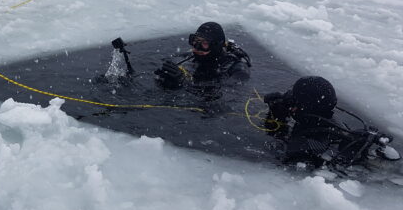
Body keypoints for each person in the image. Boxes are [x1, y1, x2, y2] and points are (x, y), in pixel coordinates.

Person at [263, 76, 398, 167]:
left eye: (294, 99)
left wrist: (274, 118)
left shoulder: (302, 147)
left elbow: (281, 145)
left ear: (303, 107)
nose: (290, 101)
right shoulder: (333, 123)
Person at [154, 21, 251, 91]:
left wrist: (183, 82)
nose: (197, 47)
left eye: (204, 43)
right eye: (195, 41)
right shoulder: (191, 57)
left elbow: (230, 91)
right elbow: (163, 62)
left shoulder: (238, 69)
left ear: (216, 46)